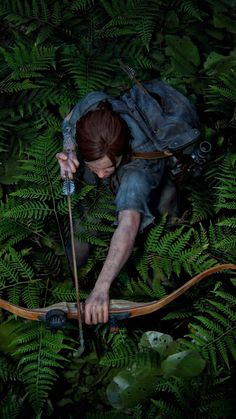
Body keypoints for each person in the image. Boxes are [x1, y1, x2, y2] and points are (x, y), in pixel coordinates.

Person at [56, 80, 200, 325]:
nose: (101, 174)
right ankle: (67, 281)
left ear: (121, 154)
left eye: (107, 168)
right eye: (94, 168)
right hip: (104, 193)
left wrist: (102, 289)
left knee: (161, 260)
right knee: (79, 243)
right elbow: (70, 120)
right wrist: (69, 151)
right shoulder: (96, 105)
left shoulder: (137, 172)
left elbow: (128, 223)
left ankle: (164, 319)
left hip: (156, 195)